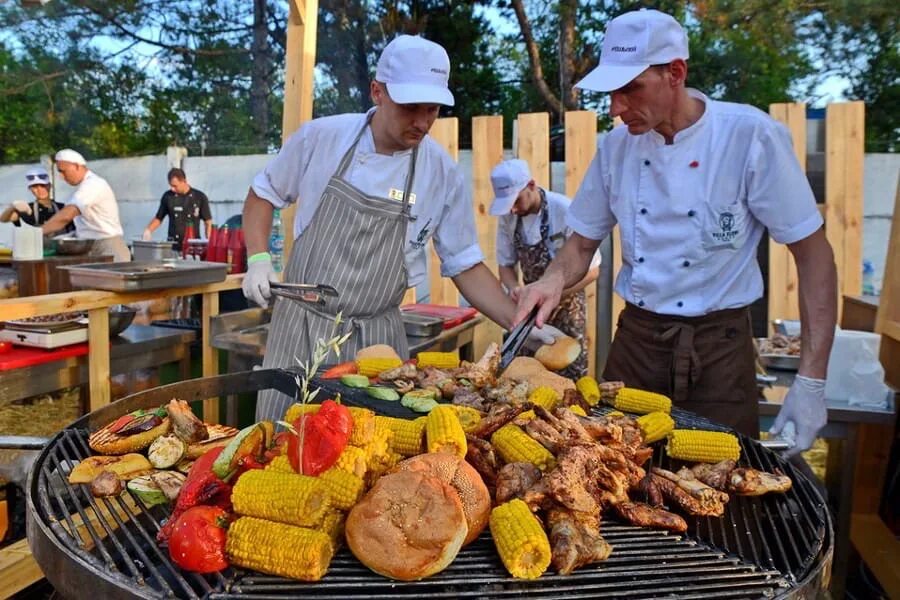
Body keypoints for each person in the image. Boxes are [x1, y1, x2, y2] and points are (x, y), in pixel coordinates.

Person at [513, 9, 837, 456]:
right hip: (637, 345)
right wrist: (550, 281)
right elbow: (581, 242)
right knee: (610, 475)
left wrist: (812, 381)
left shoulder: (749, 137)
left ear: (676, 73)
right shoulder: (616, 148)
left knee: (723, 496)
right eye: (612, 92)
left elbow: (814, 255)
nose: (616, 107)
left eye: (630, 88)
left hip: (720, 351)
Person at [242, 35, 563, 421]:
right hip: (302, 331)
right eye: (411, 108)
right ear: (377, 92)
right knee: (281, 444)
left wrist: (519, 322)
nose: (423, 122)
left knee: (375, 463)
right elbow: (262, 195)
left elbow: (465, 265)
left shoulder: (440, 172)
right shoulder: (322, 139)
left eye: (432, 110)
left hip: (378, 344)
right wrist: (258, 258)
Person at [490, 159, 600, 379]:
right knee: (526, 377)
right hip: (529, 311)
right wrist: (514, 288)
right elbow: (505, 266)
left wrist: (552, 293)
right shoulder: (509, 217)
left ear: (531, 185)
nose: (512, 208)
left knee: (570, 377)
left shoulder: (564, 210)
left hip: (568, 309)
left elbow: (594, 270)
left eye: (516, 201)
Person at [41, 149, 130, 261]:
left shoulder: (94, 184)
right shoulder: (84, 187)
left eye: (63, 171)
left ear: (77, 166)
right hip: (92, 247)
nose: (62, 177)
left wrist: (36, 233)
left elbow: (67, 215)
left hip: (108, 248)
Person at [142, 168, 213, 251]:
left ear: (184, 181)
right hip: (173, 246)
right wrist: (148, 230)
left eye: (175, 186)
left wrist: (209, 243)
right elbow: (159, 218)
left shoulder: (199, 197)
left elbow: (208, 222)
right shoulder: (168, 197)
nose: (172, 189)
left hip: (192, 246)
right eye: (170, 186)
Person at [0, 167, 75, 234]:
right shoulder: (28, 209)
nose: (39, 190)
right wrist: (12, 207)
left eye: (43, 186)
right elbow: (3, 219)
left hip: (61, 247)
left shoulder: (63, 207)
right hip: (36, 247)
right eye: (35, 187)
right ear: (30, 189)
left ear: (49, 186)